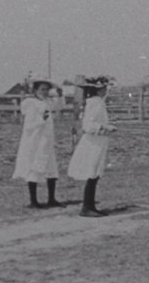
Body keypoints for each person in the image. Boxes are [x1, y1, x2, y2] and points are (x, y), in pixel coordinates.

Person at [67, 76, 116, 217]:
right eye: (104, 88)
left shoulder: (98, 102)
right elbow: (88, 126)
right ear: (98, 90)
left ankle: (91, 206)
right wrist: (106, 127)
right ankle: (86, 207)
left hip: (98, 142)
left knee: (95, 174)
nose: (106, 90)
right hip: (93, 143)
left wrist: (105, 127)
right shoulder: (96, 103)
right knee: (92, 173)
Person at [12, 77, 63, 209]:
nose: (45, 92)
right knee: (34, 168)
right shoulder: (31, 103)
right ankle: (33, 201)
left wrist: (60, 93)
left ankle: (51, 198)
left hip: (46, 140)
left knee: (51, 168)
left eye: (47, 89)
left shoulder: (47, 102)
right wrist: (42, 119)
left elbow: (59, 105)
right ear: (35, 90)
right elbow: (28, 126)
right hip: (35, 141)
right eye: (42, 89)